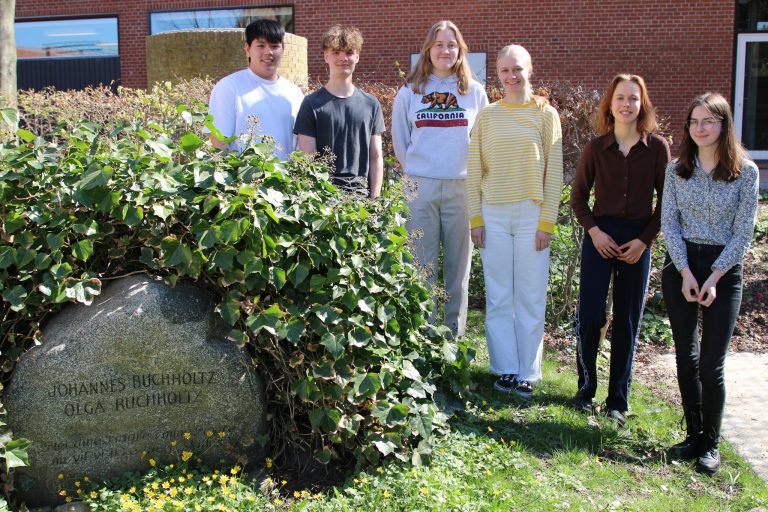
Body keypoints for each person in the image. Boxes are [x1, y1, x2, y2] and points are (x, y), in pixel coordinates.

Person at [661, 92, 759, 475]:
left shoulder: (744, 172)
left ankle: (711, 445)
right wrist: (685, 272)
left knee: (712, 365)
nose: (700, 128)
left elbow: (742, 233)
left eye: (708, 121)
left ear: (724, 125)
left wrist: (715, 276)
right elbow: (669, 223)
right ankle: (693, 435)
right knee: (686, 358)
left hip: (724, 269)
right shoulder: (676, 169)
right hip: (681, 265)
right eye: (694, 122)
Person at [570, 74, 671, 426]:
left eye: (633, 98)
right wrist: (595, 233)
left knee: (627, 321)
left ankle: (617, 401)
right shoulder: (596, 148)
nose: (626, 104)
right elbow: (579, 198)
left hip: (637, 240)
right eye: (619, 98)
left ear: (642, 104)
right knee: (592, 314)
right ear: (610, 105)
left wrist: (644, 241)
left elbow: (666, 204)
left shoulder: (657, 149)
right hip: (601, 234)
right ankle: (585, 391)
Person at [467, 45, 563, 399]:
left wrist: (547, 222)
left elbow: (553, 173)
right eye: (505, 70)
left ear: (529, 70)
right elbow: (475, 169)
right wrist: (475, 218)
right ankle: (505, 368)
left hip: (531, 215)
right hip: (493, 214)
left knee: (530, 295)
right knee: (499, 295)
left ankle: (527, 371)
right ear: (497, 73)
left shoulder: (546, 114)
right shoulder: (488, 116)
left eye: (517, 69)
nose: (512, 75)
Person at [391, 20, 488, 336]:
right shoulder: (410, 91)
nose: (445, 50)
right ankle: (423, 334)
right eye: (439, 44)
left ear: (460, 50)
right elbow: (400, 140)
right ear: (428, 50)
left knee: (458, 268)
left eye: (451, 44)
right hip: (420, 186)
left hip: (462, 186)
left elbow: (482, 141)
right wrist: (417, 171)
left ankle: (453, 336)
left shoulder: (474, 92)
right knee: (421, 265)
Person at [294, 25, 385, 198]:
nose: (343, 58)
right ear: (326, 56)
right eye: (336, 52)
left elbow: (376, 157)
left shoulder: (371, 104)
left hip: (361, 201)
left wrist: (375, 200)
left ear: (357, 56)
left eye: (349, 52)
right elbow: (307, 159)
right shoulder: (311, 104)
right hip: (323, 200)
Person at [207, 19, 304, 159]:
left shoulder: (294, 93)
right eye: (261, 45)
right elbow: (218, 140)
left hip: (286, 179)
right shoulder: (229, 87)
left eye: (274, 46)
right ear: (247, 49)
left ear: (283, 49)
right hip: (243, 179)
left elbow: (301, 144)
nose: (268, 52)